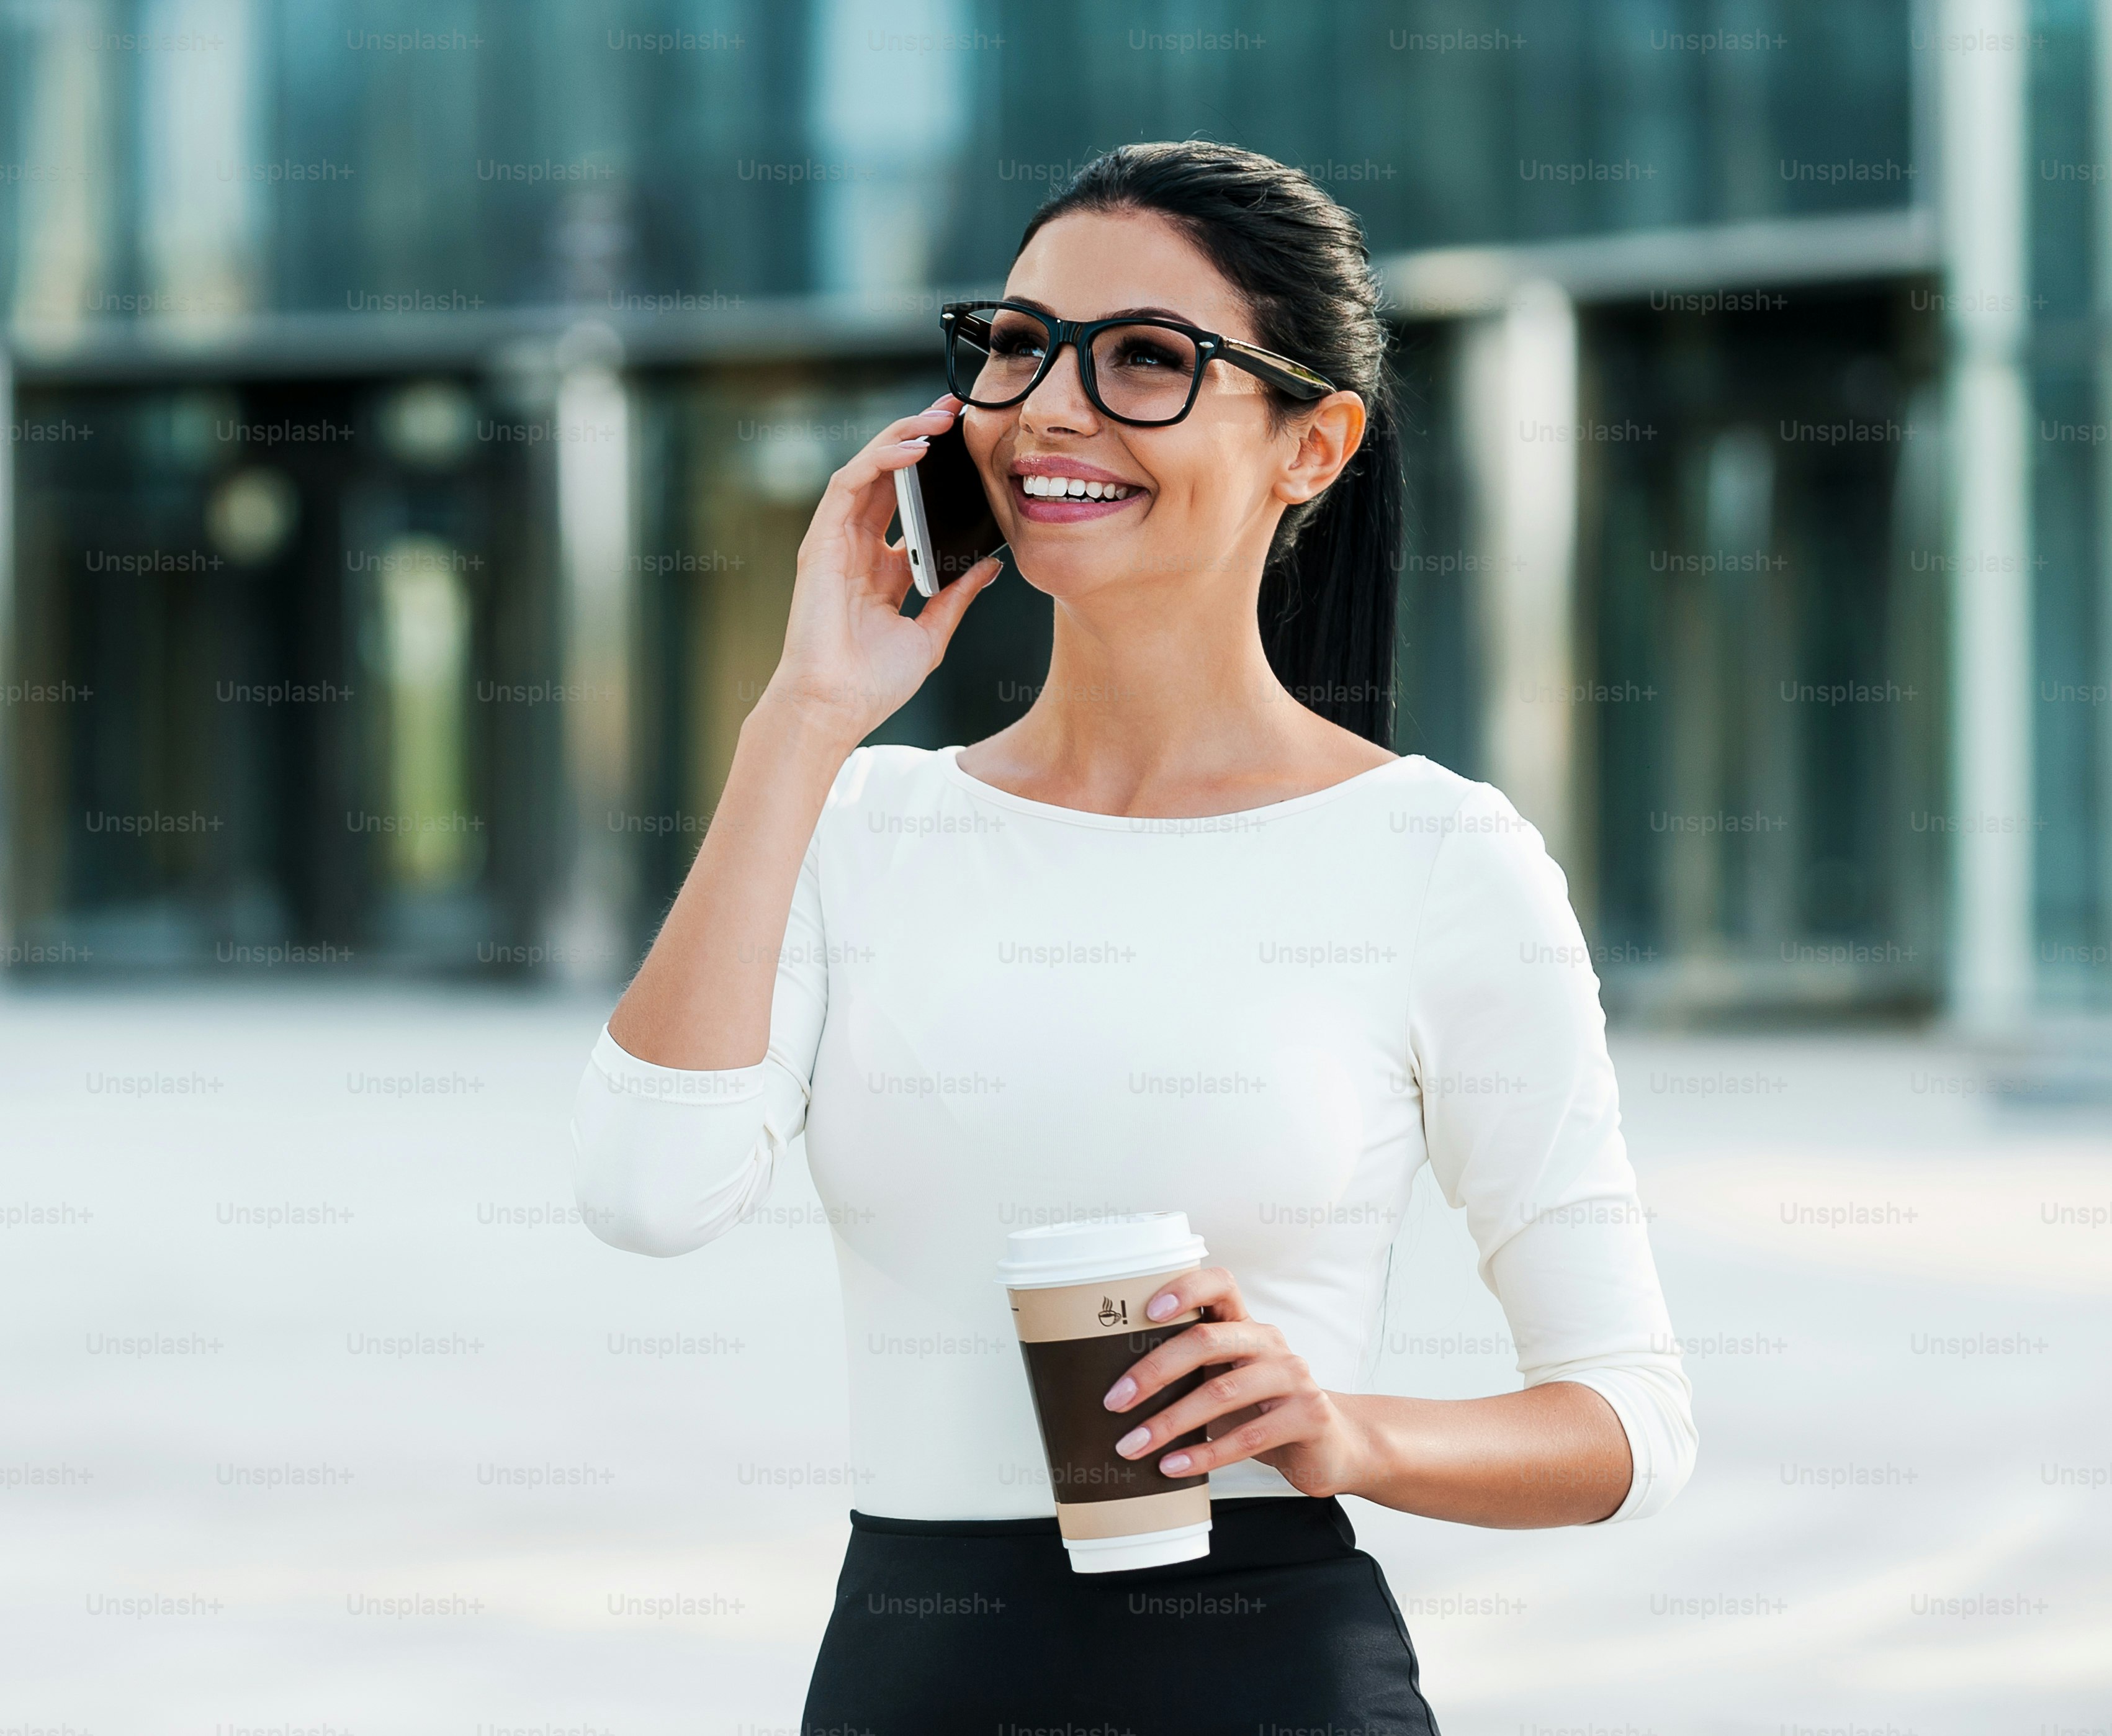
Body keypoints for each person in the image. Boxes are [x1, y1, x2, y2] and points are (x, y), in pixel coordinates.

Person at [568, 141, 1695, 1730]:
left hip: (1270, 1676)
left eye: (1148, 360)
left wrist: (1340, 1431)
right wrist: (803, 713)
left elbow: (1628, 1423)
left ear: (1312, 444)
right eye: (1019, 345)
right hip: (911, 1679)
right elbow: (643, 1193)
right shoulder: (863, 821)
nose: (1049, 408)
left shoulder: (1436, 859)